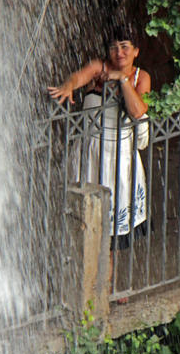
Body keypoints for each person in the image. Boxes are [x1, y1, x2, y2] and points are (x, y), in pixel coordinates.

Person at [48, 24, 151, 249]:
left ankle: (103, 282)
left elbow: (137, 110)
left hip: (120, 159)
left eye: (125, 47)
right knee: (83, 226)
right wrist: (68, 86)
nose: (119, 53)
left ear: (136, 51)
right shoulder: (98, 69)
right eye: (113, 47)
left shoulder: (141, 78)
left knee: (109, 237)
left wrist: (121, 79)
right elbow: (77, 78)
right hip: (91, 153)